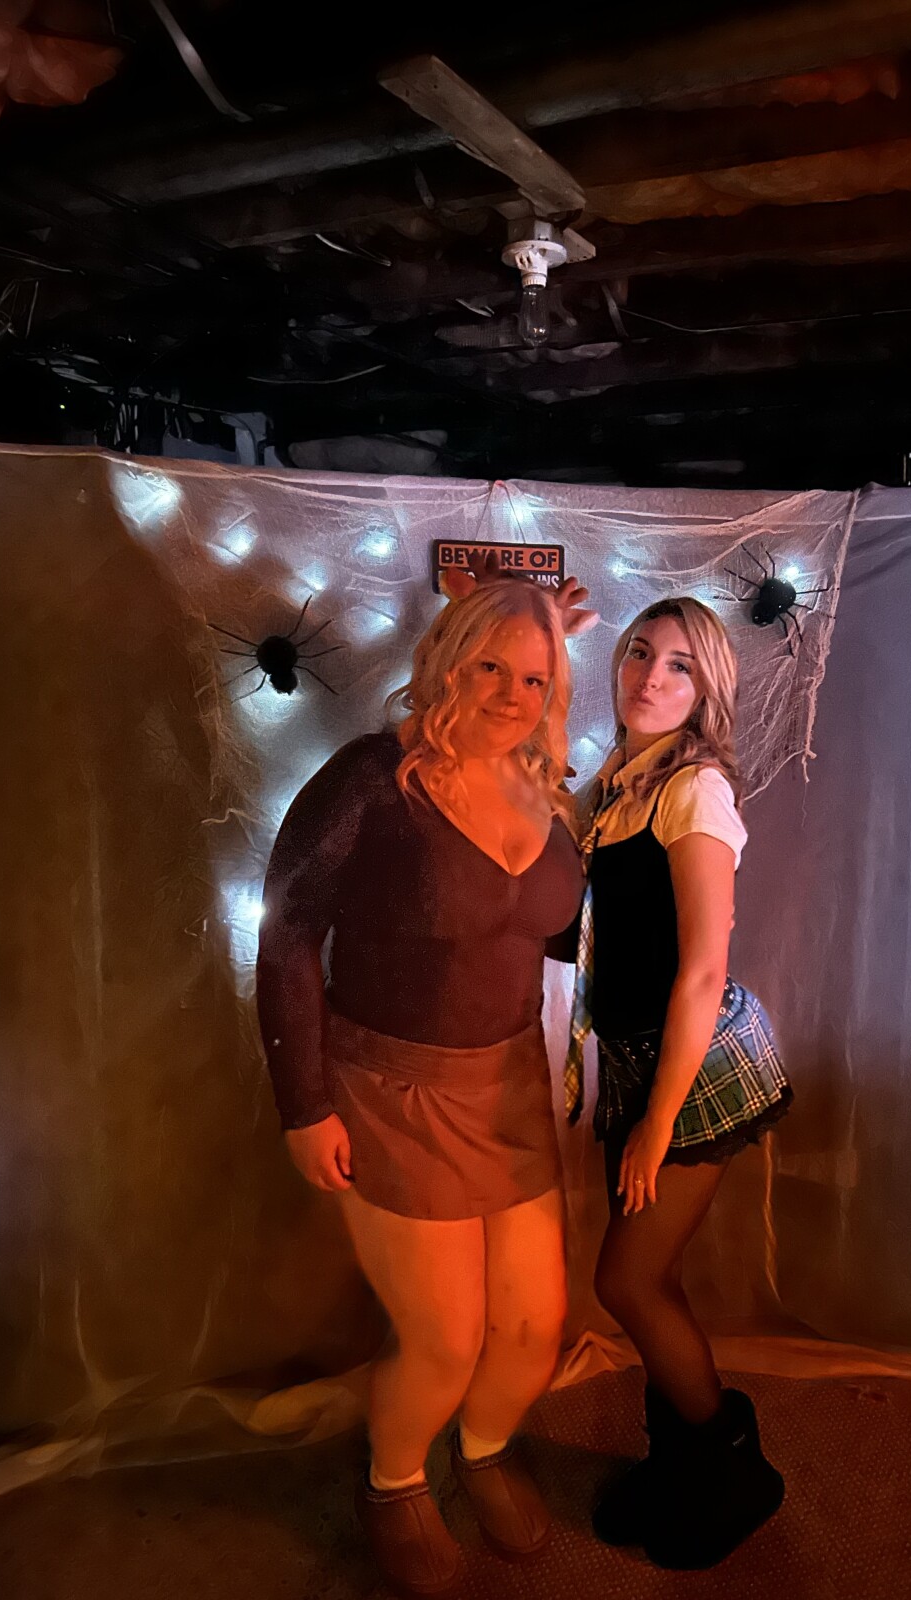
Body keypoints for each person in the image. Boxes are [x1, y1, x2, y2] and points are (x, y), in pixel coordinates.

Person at [256, 577, 589, 1598]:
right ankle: (394, 1479)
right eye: (490, 666)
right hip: (390, 1090)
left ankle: (482, 1450)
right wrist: (304, 1104)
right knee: (444, 1339)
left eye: (533, 678)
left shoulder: (546, 784)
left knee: (532, 1329)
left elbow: (553, 937)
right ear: (445, 660)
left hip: (510, 1087)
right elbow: (288, 937)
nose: (511, 695)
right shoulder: (372, 778)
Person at [566, 595, 792, 1572]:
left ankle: (735, 1472)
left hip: (695, 1067)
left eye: (679, 665)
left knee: (626, 1280)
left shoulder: (694, 790)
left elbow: (702, 970)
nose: (650, 677)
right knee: (649, 1279)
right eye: (638, 653)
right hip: (634, 1061)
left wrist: (658, 1124)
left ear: (706, 691)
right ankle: (675, 1465)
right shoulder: (618, 782)